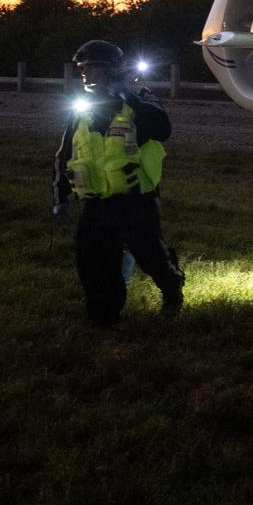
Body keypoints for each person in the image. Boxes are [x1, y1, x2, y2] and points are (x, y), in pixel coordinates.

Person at [52, 40, 185, 326]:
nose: (86, 74)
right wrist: (59, 197)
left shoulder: (140, 96)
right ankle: (103, 318)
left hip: (136, 197)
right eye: (83, 68)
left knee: (149, 254)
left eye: (93, 68)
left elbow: (162, 129)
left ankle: (172, 288)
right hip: (97, 200)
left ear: (111, 70)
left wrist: (128, 98)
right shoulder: (83, 105)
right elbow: (67, 152)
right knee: (92, 260)